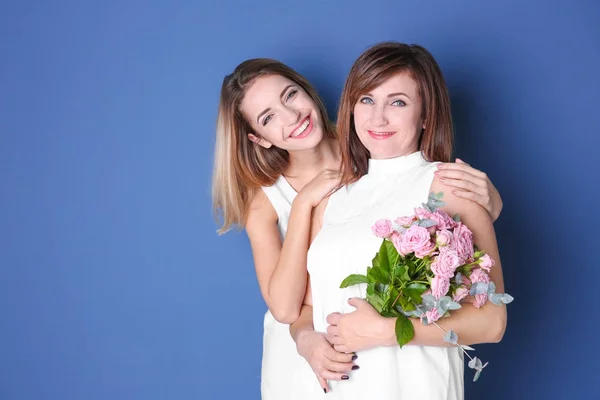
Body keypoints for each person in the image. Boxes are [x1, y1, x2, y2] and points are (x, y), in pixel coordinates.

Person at [212, 57, 504, 398]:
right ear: (258, 138)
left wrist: (491, 204)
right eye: (268, 117)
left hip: (385, 361)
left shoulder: (373, 147)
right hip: (307, 350)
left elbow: (453, 229)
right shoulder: (272, 200)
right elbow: (288, 308)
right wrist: (304, 203)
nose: (290, 116)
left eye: (290, 96)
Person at [291, 42, 508, 399]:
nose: (378, 118)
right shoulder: (332, 196)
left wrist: (387, 330)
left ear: (425, 115)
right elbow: (308, 307)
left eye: (398, 102)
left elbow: (492, 321)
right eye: (366, 100)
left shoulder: (447, 184)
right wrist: (306, 341)